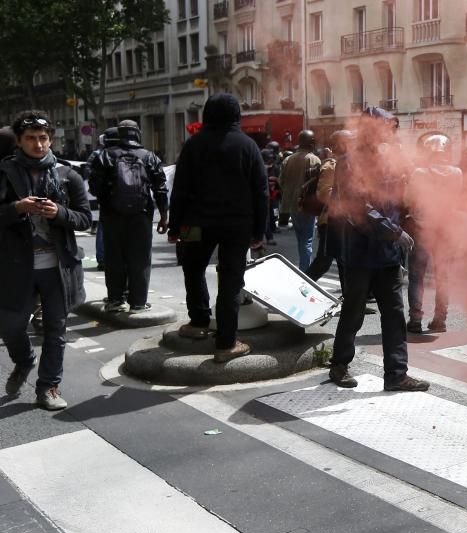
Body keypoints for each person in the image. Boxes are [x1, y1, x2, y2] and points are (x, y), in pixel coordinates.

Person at [327, 107, 428, 392]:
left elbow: (398, 202)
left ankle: (396, 374)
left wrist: (411, 215)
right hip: (361, 250)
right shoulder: (349, 162)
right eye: (386, 129)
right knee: (354, 310)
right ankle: (339, 365)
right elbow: (358, 208)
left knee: (394, 313)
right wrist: (394, 232)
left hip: (387, 251)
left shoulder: (389, 160)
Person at [0, 110, 92, 409]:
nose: (38, 145)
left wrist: (59, 213)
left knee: (56, 329)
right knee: (12, 327)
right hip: (16, 267)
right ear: (19, 141)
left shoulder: (68, 175)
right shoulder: (4, 173)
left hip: (58, 267)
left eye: (43, 138)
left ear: (50, 139)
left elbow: (84, 220)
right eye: (31, 139)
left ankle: (48, 387)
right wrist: (17, 208)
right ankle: (24, 360)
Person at [167, 93, 267, 363]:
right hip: (237, 225)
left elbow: (180, 189)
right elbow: (261, 192)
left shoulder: (193, 145)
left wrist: (174, 226)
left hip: (194, 223)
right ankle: (226, 342)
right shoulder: (248, 146)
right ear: (237, 116)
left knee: (193, 268)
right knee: (231, 280)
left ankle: (198, 322)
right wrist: (259, 231)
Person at [88, 120, 169, 313]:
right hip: (141, 215)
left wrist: (107, 199)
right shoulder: (150, 157)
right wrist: (164, 216)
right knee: (140, 257)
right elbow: (161, 189)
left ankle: (116, 299)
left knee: (114, 256)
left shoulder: (106, 156)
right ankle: (138, 302)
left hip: (112, 214)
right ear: (137, 134)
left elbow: (94, 186)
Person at [404, 133, 462, 334]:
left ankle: (415, 320)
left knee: (416, 276)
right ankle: (440, 319)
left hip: (422, 229)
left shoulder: (419, 173)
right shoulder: (457, 173)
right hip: (446, 230)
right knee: (443, 276)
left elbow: (408, 199)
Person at [306, 130, 352, 282]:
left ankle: (349, 299)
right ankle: (302, 287)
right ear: (341, 144)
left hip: (341, 221)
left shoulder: (347, 163)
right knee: (323, 261)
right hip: (330, 221)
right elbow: (324, 194)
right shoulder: (331, 166)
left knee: (343, 262)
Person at [279, 130, 321, 271]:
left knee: (301, 239)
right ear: (311, 143)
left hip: (292, 205)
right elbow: (318, 185)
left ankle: (303, 269)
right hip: (307, 205)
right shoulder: (314, 159)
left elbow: (282, 182)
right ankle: (305, 272)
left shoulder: (288, 159)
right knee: (307, 240)